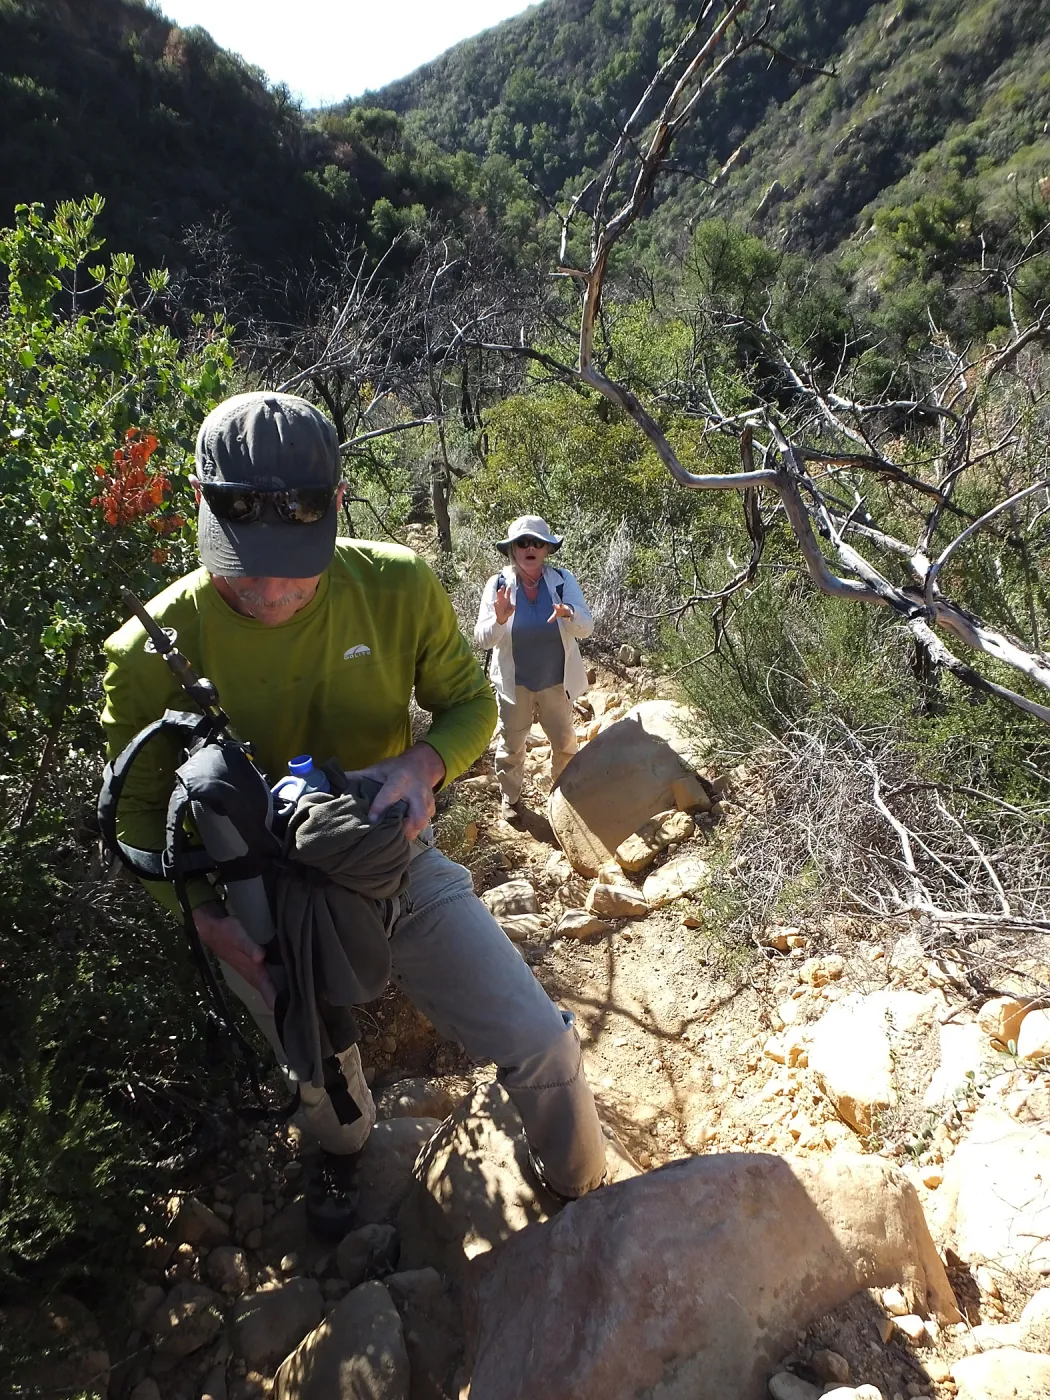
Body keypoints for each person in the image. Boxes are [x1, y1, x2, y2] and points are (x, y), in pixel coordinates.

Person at [101, 392, 606, 1232]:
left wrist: (422, 763)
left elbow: (467, 705)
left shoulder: (395, 585)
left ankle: (585, 1200)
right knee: (320, 1077)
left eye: (293, 563)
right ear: (200, 502)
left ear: (335, 503)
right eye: (242, 563)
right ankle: (342, 1152)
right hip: (257, 903)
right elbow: (138, 816)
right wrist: (206, 920)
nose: (268, 591)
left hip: (395, 862)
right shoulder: (147, 651)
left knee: (543, 1040)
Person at [474, 515, 593, 822]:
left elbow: (586, 627)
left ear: (547, 549)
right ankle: (511, 799)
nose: (530, 548)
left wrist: (569, 612)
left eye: (537, 543)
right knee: (512, 745)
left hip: (556, 681)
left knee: (564, 743)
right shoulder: (498, 584)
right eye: (522, 542)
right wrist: (499, 619)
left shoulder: (562, 581)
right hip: (515, 684)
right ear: (512, 549)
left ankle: (563, 800)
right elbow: (482, 639)